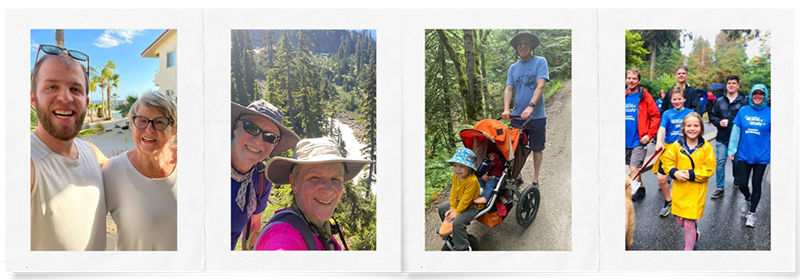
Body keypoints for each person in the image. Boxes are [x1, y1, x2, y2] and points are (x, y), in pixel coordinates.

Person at [30, 44, 108, 251]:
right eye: (52, 87)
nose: (65, 98)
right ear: (32, 98)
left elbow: (130, 169)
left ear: (86, 102)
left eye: (75, 89)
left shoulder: (92, 153)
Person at [254, 137, 370, 250]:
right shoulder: (283, 238)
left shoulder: (320, 230)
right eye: (315, 177)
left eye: (335, 178)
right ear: (293, 182)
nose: (328, 189)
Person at [102, 91, 177, 250]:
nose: (149, 129)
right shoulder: (113, 170)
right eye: (141, 121)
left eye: (160, 122)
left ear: (174, 131)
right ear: (132, 125)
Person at [230, 100, 300, 250]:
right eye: (251, 127)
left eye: (269, 136)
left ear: (274, 145)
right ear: (236, 126)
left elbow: (254, 224)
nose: (258, 140)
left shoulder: (262, 178)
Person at [660, 112, 715, 250]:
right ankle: (693, 229)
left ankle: (688, 250)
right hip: (680, 190)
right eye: (688, 125)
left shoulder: (706, 147)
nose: (692, 128)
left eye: (696, 125)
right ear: (683, 128)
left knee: (689, 222)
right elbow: (667, 160)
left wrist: (691, 174)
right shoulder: (676, 146)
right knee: (680, 221)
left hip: (696, 192)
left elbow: (709, 168)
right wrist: (674, 172)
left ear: (701, 129)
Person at [501, 31, 549, 188]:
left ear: (531, 45)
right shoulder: (513, 68)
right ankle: (518, 175)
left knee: (536, 147)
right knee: (514, 147)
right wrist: (506, 109)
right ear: (516, 47)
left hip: (536, 116)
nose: (522, 46)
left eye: (525, 43)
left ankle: (535, 179)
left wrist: (531, 106)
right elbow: (509, 89)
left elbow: (540, 85)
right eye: (519, 44)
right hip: (517, 115)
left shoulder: (540, 62)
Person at [728, 84, 771, 228]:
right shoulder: (743, 111)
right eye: (755, 93)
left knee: (757, 184)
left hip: (761, 156)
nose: (758, 96)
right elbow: (736, 132)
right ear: (751, 95)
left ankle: (752, 214)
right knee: (742, 183)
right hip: (744, 154)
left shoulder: (770, 112)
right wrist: (731, 150)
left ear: (765, 96)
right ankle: (747, 198)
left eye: (761, 94)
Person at [434, 147, 484, 251]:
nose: (457, 169)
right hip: (460, 202)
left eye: (461, 166)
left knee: (458, 222)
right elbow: (454, 192)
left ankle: (463, 248)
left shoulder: (472, 181)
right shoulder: (456, 175)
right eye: (455, 166)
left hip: (472, 205)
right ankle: (450, 230)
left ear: (469, 167)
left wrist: (457, 212)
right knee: (442, 208)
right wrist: (452, 208)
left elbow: (466, 200)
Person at [653, 86, 692, 217]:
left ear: (684, 99)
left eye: (679, 99)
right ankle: (668, 200)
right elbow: (662, 128)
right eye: (674, 99)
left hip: (684, 150)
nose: (677, 101)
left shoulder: (690, 114)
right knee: (661, 178)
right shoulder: (667, 113)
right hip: (669, 149)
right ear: (671, 99)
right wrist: (659, 141)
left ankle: (681, 204)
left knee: (682, 178)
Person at [708, 75, 747, 199]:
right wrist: (719, 122)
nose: (731, 85)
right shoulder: (720, 101)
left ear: (737, 85)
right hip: (722, 137)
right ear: (726, 85)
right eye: (729, 83)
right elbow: (712, 116)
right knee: (720, 162)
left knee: (736, 161)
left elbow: (747, 118)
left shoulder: (743, 101)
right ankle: (720, 188)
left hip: (737, 139)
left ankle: (736, 178)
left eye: (734, 83)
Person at [625, 68, 661, 201]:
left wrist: (650, 135)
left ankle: (630, 195)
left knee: (634, 168)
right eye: (629, 78)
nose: (631, 81)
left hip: (639, 140)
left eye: (634, 78)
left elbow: (656, 116)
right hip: (624, 140)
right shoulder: (623, 95)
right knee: (633, 167)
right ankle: (641, 188)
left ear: (639, 81)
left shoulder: (644, 96)